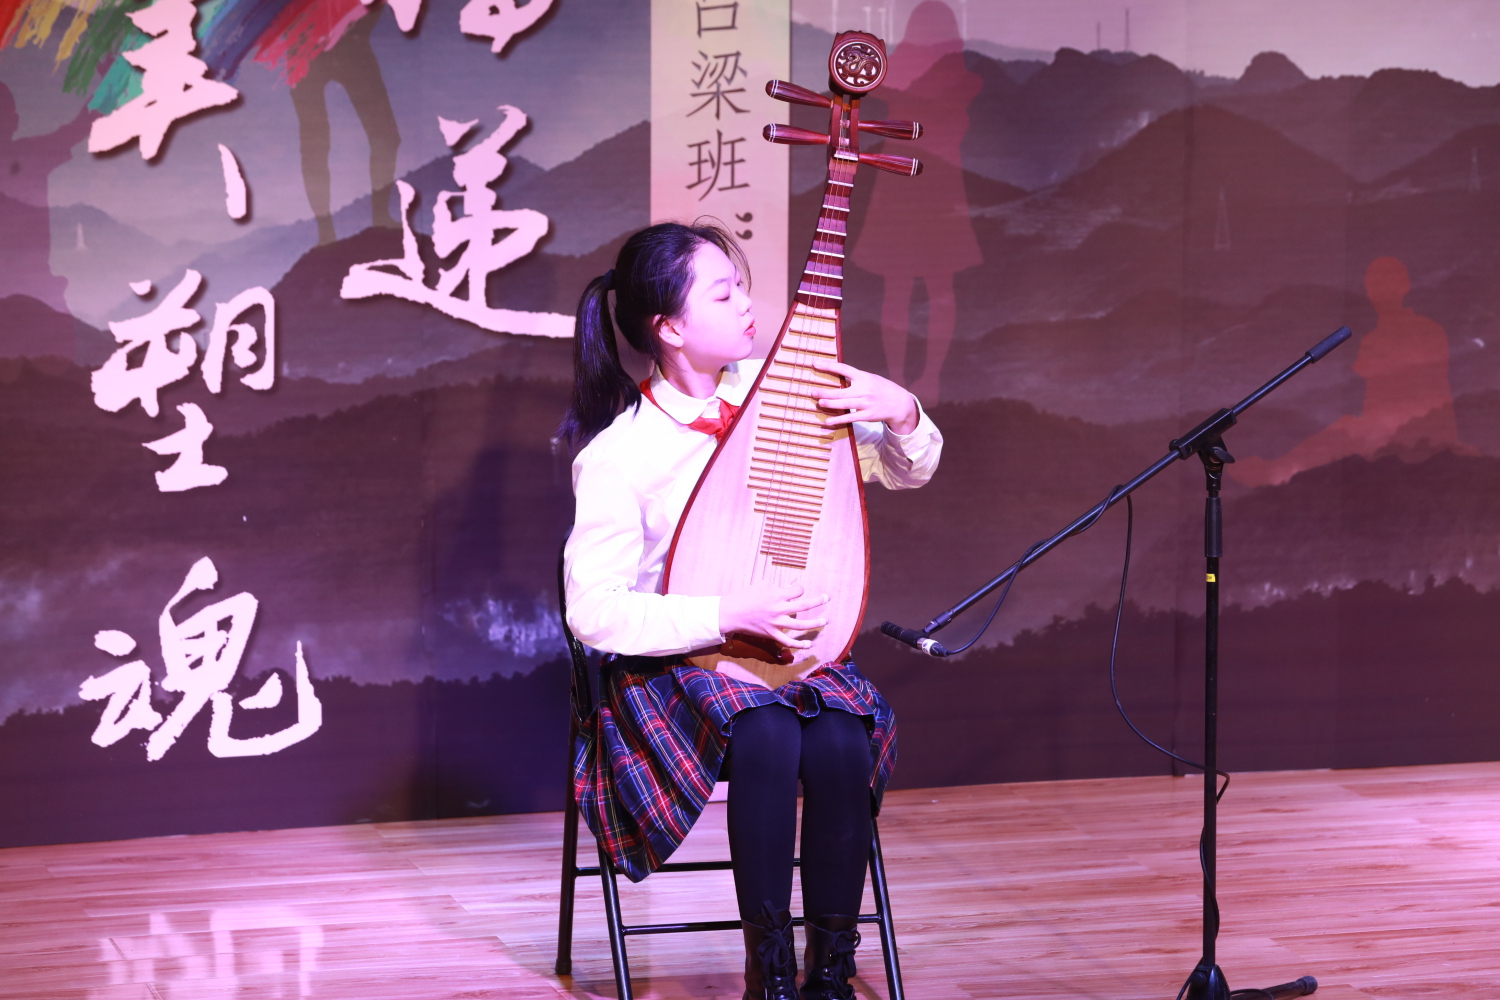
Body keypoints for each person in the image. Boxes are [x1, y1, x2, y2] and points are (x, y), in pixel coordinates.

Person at [559, 221, 942, 1000]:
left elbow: (902, 471)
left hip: (785, 653)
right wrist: (727, 612)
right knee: (766, 734)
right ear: (669, 328)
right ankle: (768, 970)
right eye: (723, 293)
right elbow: (593, 612)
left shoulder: (788, 401)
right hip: (676, 666)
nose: (746, 305)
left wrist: (902, 412)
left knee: (842, 737)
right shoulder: (620, 455)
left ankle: (829, 968)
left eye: (742, 287)